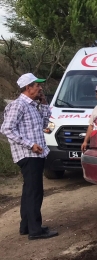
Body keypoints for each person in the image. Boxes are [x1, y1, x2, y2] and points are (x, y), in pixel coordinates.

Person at [1, 73, 58, 240]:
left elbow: (45, 125)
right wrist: (30, 144)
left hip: (36, 154)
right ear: (28, 88)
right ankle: (35, 230)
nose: (40, 88)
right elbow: (6, 129)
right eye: (37, 85)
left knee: (29, 191)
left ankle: (26, 226)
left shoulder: (33, 106)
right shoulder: (18, 105)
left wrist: (45, 105)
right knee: (35, 192)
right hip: (28, 154)